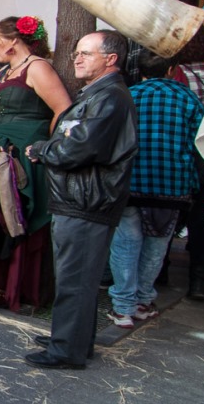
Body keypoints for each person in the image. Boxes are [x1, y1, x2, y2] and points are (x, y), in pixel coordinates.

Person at [23, 30, 138, 369]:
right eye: (78, 52)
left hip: (87, 202)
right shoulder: (101, 94)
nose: (77, 58)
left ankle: (66, 351)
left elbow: (82, 147)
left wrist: (43, 149)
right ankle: (71, 340)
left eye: (86, 53)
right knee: (76, 277)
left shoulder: (110, 97)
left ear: (111, 59)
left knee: (76, 279)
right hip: (82, 200)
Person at [0, 16, 72, 321]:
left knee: (11, 221)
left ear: (14, 40)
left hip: (22, 157)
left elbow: (62, 108)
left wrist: (40, 145)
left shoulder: (38, 67)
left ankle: (9, 290)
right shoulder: (7, 70)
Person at [106, 50, 204, 327]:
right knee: (156, 247)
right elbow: (200, 141)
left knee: (126, 244)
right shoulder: (187, 98)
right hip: (172, 184)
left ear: (141, 70)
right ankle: (142, 301)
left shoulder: (130, 96)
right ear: (172, 69)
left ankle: (123, 307)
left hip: (131, 181)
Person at [172, 28, 204, 300]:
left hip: (183, 149)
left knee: (175, 210)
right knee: (201, 215)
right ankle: (197, 279)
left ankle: (161, 272)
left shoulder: (179, 74)